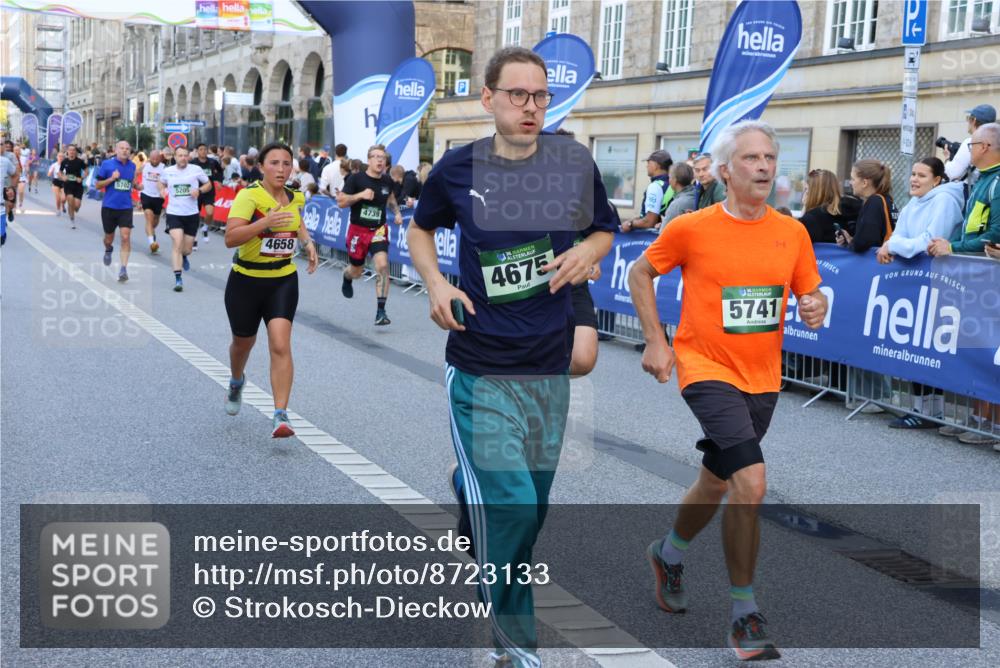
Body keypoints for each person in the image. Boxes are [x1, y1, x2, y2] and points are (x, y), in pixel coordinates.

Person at [408, 46, 616, 668]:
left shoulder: (572, 162)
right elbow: (421, 227)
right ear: (489, 99)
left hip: (547, 367)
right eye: (518, 95)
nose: (530, 107)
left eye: (540, 96)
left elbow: (604, 227)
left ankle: (471, 502)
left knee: (530, 513)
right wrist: (438, 284)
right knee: (515, 506)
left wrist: (589, 251)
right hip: (480, 364)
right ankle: (516, 645)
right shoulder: (458, 168)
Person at [629, 120, 827, 662]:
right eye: (751, 158)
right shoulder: (692, 227)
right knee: (752, 483)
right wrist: (655, 341)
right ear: (723, 170)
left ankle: (668, 553)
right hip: (705, 367)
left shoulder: (792, 232)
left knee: (717, 483)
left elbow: (811, 296)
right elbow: (640, 275)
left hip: (762, 377)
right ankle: (744, 614)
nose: (764, 166)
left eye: (769, 157)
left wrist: (816, 305)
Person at [223, 142, 319, 438]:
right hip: (246, 281)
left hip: (282, 279)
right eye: (274, 163)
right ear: (261, 167)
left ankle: (280, 414)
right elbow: (230, 238)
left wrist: (307, 242)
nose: (281, 169)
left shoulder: (296, 196)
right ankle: (237, 380)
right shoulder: (249, 196)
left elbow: (296, 217)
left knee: (280, 343)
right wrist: (265, 222)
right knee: (243, 343)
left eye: (286, 163)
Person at [871, 157, 964, 430]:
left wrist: (894, 245)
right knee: (915, 345)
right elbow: (900, 236)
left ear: (937, 180)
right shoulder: (914, 202)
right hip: (915, 284)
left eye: (922, 175)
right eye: (913, 174)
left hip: (940, 282)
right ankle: (919, 409)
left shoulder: (944, 200)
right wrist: (893, 244)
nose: (914, 179)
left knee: (932, 347)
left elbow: (929, 242)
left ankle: (930, 412)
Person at [928, 123, 1000, 447]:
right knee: (971, 344)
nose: (966, 151)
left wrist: (953, 248)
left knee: (987, 348)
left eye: (971, 145)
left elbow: (993, 235)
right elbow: (973, 230)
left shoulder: (997, 181)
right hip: (975, 277)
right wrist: (953, 243)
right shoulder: (981, 180)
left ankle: (990, 421)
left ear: (985, 147)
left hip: (987, 278)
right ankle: (977, 416)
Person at [336, 143, 404, 326]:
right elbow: (341, 202)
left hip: (378, 230)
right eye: (376, 157)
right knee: (356, 271)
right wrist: (360, 195)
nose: (380, 160)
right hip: (358, 230)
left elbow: (390, 198)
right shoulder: (356, 179)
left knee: (382, 265)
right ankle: (347, 276)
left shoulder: (387, 181)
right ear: (369, 160)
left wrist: (397, 212)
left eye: (383, 158)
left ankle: (381, 312)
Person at [159, 147, 211, 292]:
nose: (183, 158)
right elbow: (160, 182)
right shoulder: (168, 171)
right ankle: (178, 279)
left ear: (188, 157)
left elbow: (208, 185)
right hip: (174, 213)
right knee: (177, 242)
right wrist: (161, 190)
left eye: (185, 155)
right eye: (180, 155)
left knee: (187, 249)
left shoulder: (196, 169)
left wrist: (199, 190)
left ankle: (184, 256)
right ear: (174, 157)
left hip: (191, 214)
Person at [94, 140, 139, 282]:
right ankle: (108, 249)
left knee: (125, 237)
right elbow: (97, 185)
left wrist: (138, 186)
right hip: (109, 206)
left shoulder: (132, 166)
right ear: (116, 150)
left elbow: (131, 183)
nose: (125, 151)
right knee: (109, 238)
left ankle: (123, 269)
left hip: (126, 207)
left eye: (127, 148)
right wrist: (111, 179)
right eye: (122, 148)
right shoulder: (107, 164)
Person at [836, 159, 897, 253]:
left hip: (877, 264)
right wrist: (850, 239)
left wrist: (852, 243)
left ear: (864, 183)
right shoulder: (887, 199)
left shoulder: (874, 202)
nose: (850, 183)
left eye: (853, 179)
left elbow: (865, 243)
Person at [798, 169, 861, 243]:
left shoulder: (811, 218)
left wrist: (805, 207)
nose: (805, 193)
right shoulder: (854, 210)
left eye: (806, 189)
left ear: (814, 192)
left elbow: (799, 242)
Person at [622, 150, 673, 233]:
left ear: (656, 165)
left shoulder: (655, 186)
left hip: (651, 238)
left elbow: (649, 221)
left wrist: (630, 224)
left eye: (648, 163)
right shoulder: (671, 183)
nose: (647, 166)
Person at [944, 104, 996, 184]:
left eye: (968, 119)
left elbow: (952, 174)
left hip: (971, 192)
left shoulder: (971, 142)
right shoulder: (996, 143)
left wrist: (947, 159)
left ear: (974, 120)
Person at [190, 143, 224, 246]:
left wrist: (218, 181)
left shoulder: (213, 162)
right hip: (197, 191)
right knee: (195, 216)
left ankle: (205, 227)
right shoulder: (193, 163)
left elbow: (220, 171)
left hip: (209, 191)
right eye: (201, 149)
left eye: (205, 149)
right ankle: (194, 239)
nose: (203, 151)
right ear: (197, 151)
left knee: (210, 212)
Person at [139, 150, 167, 254]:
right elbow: (135, 172)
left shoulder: (164, 168)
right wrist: (135, 184)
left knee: (154, 222)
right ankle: (152, 243)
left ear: (160, 158)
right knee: (149, 217)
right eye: (152, 158)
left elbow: (168, 181)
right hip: (146, 194)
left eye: (156, 159)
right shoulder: (145, 166)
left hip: (158, 197)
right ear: (149, 158)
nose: (154, 161)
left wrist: (164, 190)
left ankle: (150, 231)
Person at [660, 162, 697, 230]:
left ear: (675, 180)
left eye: (670, 177)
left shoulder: (676, 205)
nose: (669, 180)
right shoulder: (698, 195)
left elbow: (663, 234)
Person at [59, 144, 89, 229]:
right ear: (67, 151)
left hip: (78, 185)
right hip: (68, 184)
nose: (72, 152)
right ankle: (72, 220)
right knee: (70, 200)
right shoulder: (64, 162)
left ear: (75, 152)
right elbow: (60, 172)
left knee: (76, 206)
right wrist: (63, 177)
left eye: (73, 150)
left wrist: (82, 178)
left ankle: (74, 209)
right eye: (70, 150)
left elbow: (87, 171)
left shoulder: (80, 161)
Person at [0, 142, 16, 243]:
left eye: (1, 144)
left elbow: (15, 173)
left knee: (1, 239)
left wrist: (11, 189)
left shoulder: (5, 161)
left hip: (0, 207)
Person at [47, 151, 66, 218]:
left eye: (62, 156)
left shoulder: (66, 165)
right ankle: (58, 210)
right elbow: (48, 174)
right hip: (56, 181)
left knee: (63, 198)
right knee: (58, 198)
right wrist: (51, 172)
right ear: (57, 157)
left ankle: (63, 205)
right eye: (59, 156)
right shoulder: (54, 165)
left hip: (64, 182)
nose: (61, 158)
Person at [16, 146, 30, 213]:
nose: (17, 151)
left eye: (18, 150)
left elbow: (27, 165)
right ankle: (14, 207)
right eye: (15, 150)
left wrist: (27, 169)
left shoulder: (23, 158)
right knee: (13, 193)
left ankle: (21, 204)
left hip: (22, 177)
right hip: (13, 177)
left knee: (21, 191)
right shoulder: (10, 158)